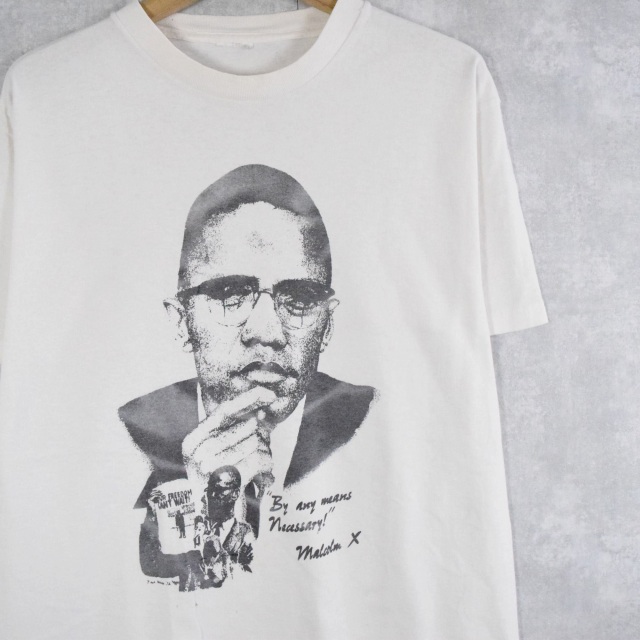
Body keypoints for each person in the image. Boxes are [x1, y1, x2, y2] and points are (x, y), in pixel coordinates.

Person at [117, 164, 379, 583]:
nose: (267, 332)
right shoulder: (127, 439)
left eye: (299, 298)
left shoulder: (373, 426)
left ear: (327, 326)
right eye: (230, 293)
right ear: (182, 321)